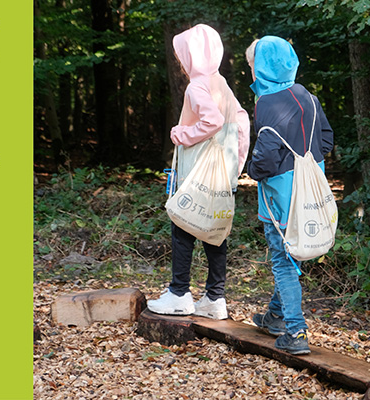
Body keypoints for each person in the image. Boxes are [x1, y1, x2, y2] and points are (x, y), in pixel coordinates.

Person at [147, 24, 250, 320]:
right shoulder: (221, 83)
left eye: (182, 54)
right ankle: (214, 299)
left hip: (197, 175)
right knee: (215, 233)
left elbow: (212, 121)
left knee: (182, 227)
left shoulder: (197, 86)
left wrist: (181, 134)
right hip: (222, 176)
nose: (180, 60)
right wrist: (235, 168)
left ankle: (179, 294)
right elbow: (241, 125)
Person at [246, 36, 334, 354]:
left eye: (253, 66)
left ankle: (296, 332)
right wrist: (307, 160)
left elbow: (267, 155)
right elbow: (326, 139)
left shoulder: (267, 102)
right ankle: (275, 318)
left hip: (281, 196)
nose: (251, 72)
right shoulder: (307, 96)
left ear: (263, 68)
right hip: (310, 192)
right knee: (289, 255)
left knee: (283, 261)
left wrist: (253, 172)